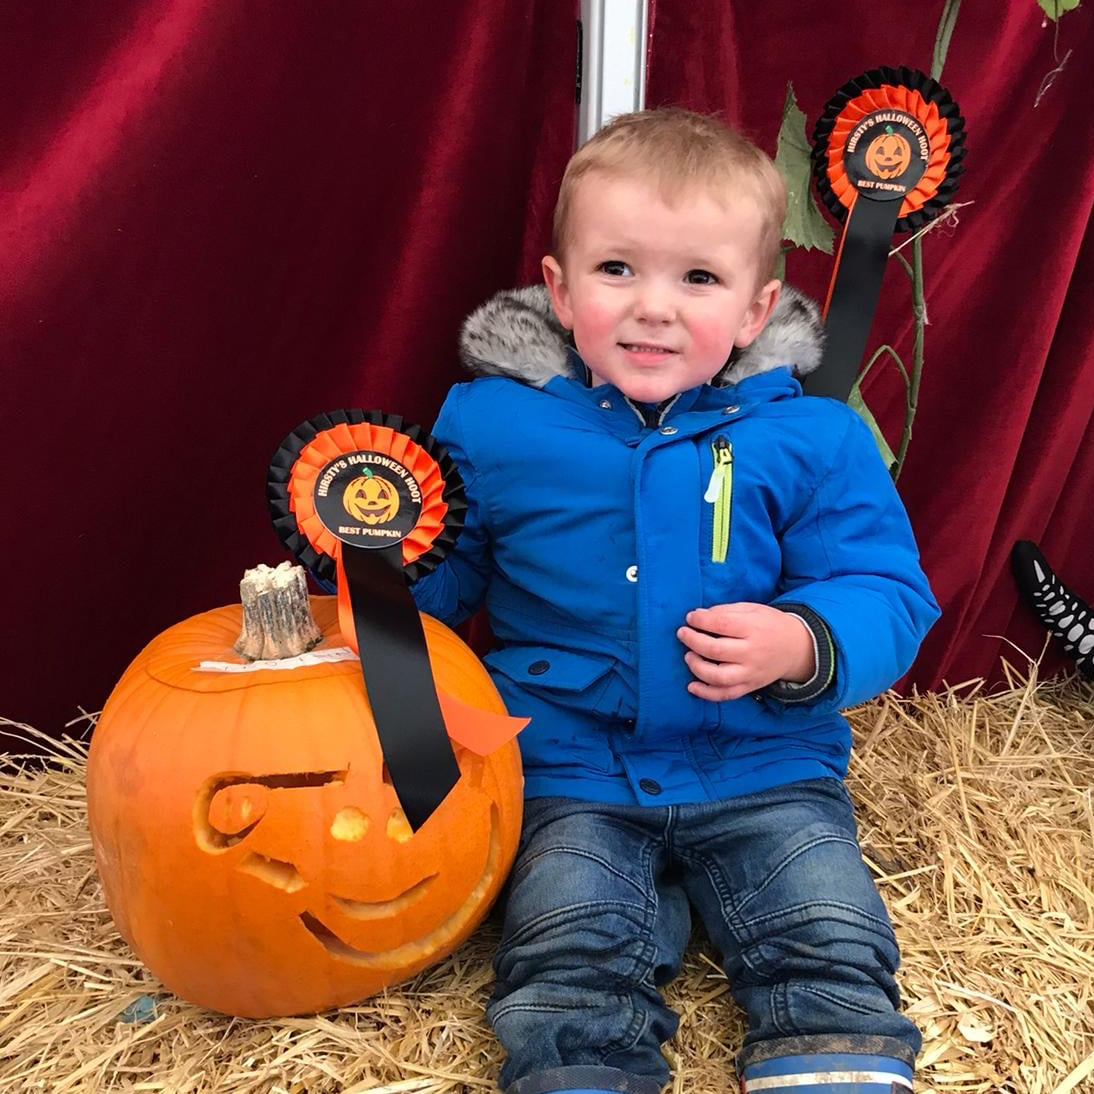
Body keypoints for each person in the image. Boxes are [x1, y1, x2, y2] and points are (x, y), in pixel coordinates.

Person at [409, 108, 940, 1094]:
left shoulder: (812, 437)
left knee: (826, 927)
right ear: (560, 292)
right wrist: (371, 571)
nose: (653, 307)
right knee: (563, 942)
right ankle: (582, 1069)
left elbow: (884, 587)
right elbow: (437, 588)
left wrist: (801, 640)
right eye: (618, 270)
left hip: (765, 766)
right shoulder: (489, 425)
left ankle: (832, 1062)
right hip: (567, 770)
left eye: (696, 278)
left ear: (753, 307)